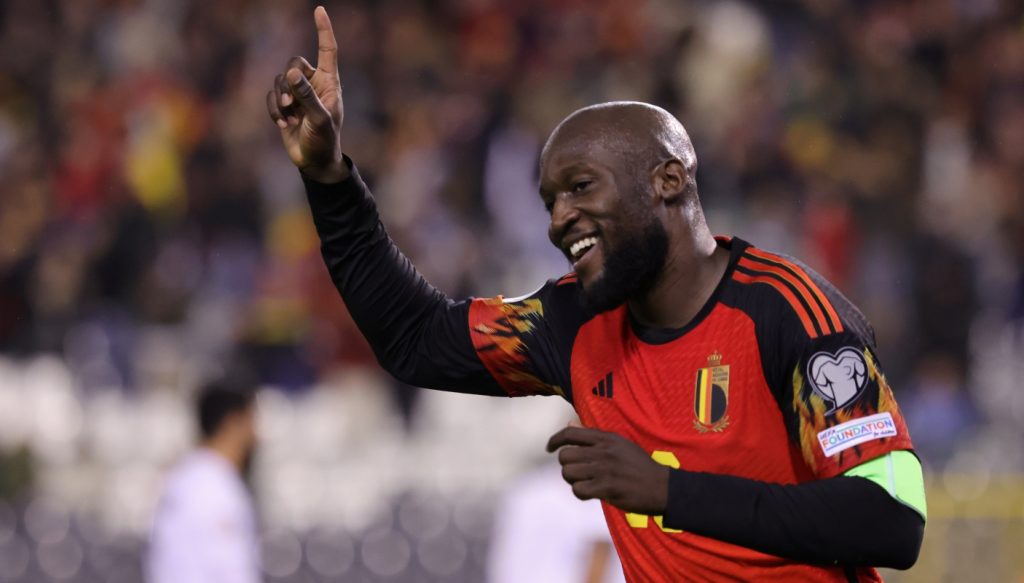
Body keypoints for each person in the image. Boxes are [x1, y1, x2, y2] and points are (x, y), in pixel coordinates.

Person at [266, 7, 926, 581]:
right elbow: (414, 340)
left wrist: (667, 490)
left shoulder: (789, 311)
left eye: (581, 188)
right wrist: (329, 180)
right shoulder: (573, 320)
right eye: (551, 202)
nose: (558, 219)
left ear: (668, 180)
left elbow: (893, 519)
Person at [146, 380, 261, 583]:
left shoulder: (185, 477)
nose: (257, 436)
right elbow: (230, 571)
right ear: (233, 423)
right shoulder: (215, 487)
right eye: (251, 422)